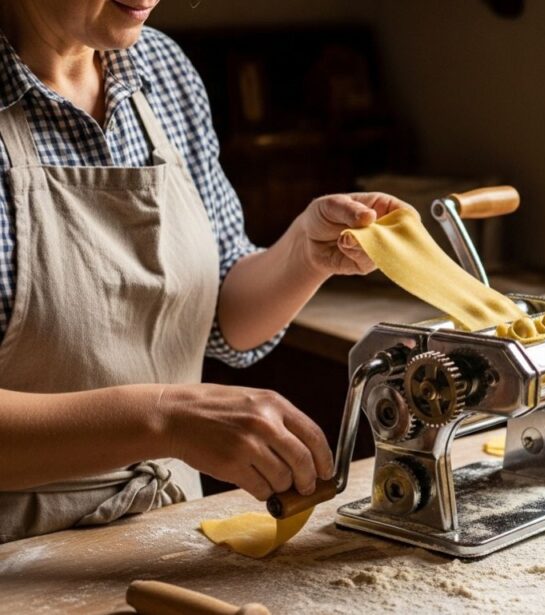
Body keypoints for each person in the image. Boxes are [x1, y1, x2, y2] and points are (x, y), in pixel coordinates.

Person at [0, 0, 411, 542]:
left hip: (165, 531)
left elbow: (223, 317)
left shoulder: (163, 70)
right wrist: (165, 418)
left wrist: (304, 254)